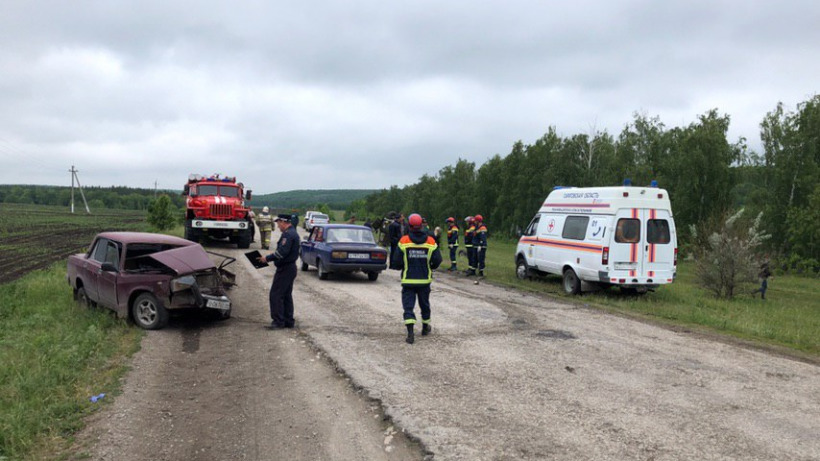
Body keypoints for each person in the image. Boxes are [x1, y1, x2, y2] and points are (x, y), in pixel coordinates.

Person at [392, 213, 442, 344]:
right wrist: (430, 267)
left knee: (408, 306)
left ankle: (410, 333)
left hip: (408, 280)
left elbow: (396, 261)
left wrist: (402, 266)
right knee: (424, 304)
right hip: (424, 280)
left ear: (409, 225)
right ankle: (425, 328)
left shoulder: (404, 240)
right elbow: (437, 260)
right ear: (421, 226)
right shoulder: (431, 241)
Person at [257, 214, 301, 329]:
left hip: (285, 269)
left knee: (276, 294)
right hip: (290, 268)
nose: (277, 226)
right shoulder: (292, 233)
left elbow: (281, 252)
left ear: (283, 222)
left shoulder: (288, 235)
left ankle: (278, 322)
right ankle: (288, 321)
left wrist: (266, 258)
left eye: (278, 223)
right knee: (286, 295)